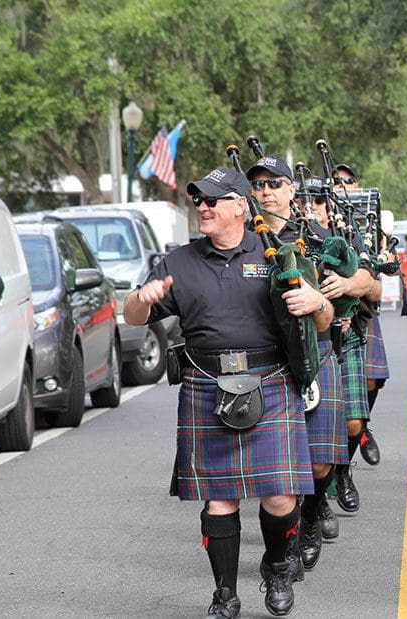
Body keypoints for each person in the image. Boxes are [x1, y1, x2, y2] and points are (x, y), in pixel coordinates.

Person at [123, 166, 334, 618]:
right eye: (198, 200)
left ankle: (277, 566)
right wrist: (142, 297)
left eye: (213, 200)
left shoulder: (277, 252)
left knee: (280, 496)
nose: (202, 207)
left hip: (271, 380)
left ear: (240, 206)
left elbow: (322, 320)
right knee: (219, 499)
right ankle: (225, 593)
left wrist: (318, 302)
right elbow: (133, 316)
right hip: (207, 385)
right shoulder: (179, 262)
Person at [248, 156, 372, 568]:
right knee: (277, 465)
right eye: (258, 185)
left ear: (291, 190)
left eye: (274, 183)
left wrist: (343, 285)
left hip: (317, 350)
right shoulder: (245, 241)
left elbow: (367, 279)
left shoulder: (318, 236)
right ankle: (286, 541)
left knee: (319, 460)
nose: (266, 192)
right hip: (266, 358)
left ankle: (314, 513)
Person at [332, 163, 388, 467]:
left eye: (348, 180)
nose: (342, 184)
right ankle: (355, 431)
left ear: (357, 185)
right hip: (329, 317)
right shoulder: (316, 222)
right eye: (336, 180)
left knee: (371, 380)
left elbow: (381, 278)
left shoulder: (368, 221)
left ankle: (361, 427)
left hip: (363, 312)